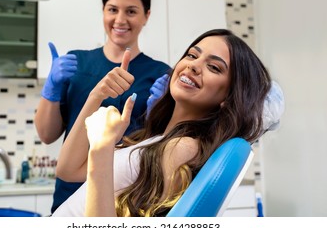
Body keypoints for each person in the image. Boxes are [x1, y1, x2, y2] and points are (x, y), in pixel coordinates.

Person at [51, 28, 273, 217]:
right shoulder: (158, 137)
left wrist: (102, 147)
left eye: (214, 67)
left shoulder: (183, 147)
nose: (194, 66)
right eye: (192, 55)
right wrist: (97, 95)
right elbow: (68, 170)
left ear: (229, 96)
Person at [34, 0, 171, 214]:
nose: (120, 19)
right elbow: (47, 134)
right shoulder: (78, 63)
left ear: (146, 16)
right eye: (112, 9)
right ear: (103, 11)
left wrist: (158, 116)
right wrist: (52, 90)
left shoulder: (160, 75)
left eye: (131, 11)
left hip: (125, 197)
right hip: (70, 194)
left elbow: (161, 153)